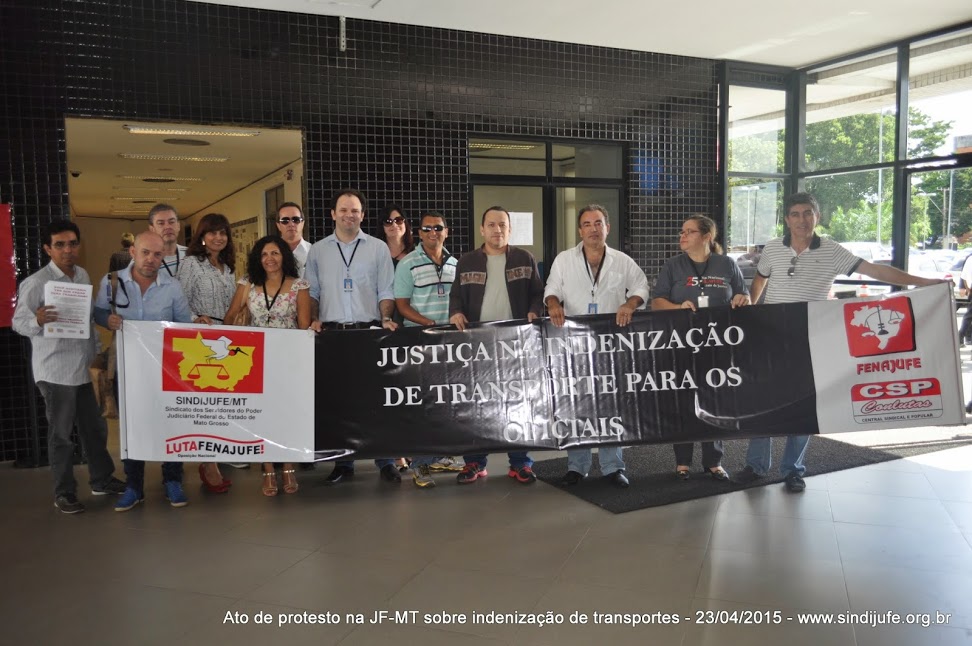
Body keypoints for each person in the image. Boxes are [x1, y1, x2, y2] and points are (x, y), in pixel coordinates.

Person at [738, 192, 945, 493]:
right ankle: (755, 466)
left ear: (817, 217)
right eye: (795, 214)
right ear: (786, 220)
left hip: (810, 339)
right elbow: (760, 278)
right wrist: (754, 313)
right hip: (771, 337)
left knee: (803, 406)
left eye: (808, 213)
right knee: (765, 401)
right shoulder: (772, 248)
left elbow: (877, 271)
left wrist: (924, 282)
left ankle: (793, 471)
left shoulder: (833, 251)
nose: (802, 220)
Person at [12, 221, 126, 514]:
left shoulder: (82, 275)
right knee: (61, 435)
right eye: (60, 245)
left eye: (73, 243)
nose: (68, 250)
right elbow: (18, 322)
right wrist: (37, 320)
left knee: (95, 428)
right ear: (48, 248)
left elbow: (86, 320)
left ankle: (101, 479)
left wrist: (98, 351)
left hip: (84, 367)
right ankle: (64, 492)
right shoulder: (37, 283)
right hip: (55, 370)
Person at [545, 204, 650, 489]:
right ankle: (576, 467)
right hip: (574, 345)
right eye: (587, 224)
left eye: (598, 223)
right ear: (580, 230)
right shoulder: (564, 260)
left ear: (607, 227)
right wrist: (554, 304)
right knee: (576, 405)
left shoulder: (622, 261)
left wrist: (630, 303)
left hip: (611, 344)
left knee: (610, 405)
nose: (593, 228)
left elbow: (642, 287)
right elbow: (551, 290)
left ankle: (613, 467)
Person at [304, 189, 401, 485]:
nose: (349, 215)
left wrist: (386, 318)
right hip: (334, 335)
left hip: (369, 333)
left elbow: (386, 289)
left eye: (355, 210)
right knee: (341, 402)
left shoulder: (377, 249)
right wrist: (314, 319)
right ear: (333, 214)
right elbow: (314, 291)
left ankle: (384, 460)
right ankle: (343, 464)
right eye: (343, 210)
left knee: (376, 400)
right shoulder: (318, 250)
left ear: (363, 214)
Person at [94, 231, 194, 511]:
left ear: (164, 256)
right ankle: (134, 486)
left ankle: (172, 481)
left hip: (164, 371)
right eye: (146, 252)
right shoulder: (112, 282)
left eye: (157, 254)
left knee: (170, 422)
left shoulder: (171, 287)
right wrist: (107, 319)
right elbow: (97, 312)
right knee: (131, 428)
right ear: (133, 252)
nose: (151, 259)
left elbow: (183, 326)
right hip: (125, 369)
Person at [449, 205, 544, 485]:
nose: (497, 229)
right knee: (477, 405)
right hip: (477, 346)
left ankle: (520, 463)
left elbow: (538, 293)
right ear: (482, 229)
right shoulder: (466, 262)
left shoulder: (525, 258)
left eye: (502, 224)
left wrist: (534, 310)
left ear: (509, 229)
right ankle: (475, 463)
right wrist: (455, 312)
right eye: (491, 224)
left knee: (518, 403)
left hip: (516, 346)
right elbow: (456, 296)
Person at [652, 214, 750, 482]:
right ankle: (682, 462)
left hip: (718, 346)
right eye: (682, 232)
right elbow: (656, 302)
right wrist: (677, 307)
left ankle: (713, 461)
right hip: (681, 344)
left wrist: (743, 298)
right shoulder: (673, 266)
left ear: (707, 237)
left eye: (689, 232)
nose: (682, 236)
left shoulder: (727, 264)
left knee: (715, 402)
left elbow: (745, 297)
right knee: (684, 402)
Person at [224, 235, 311, 496]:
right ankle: (268, 468)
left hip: (288, 359)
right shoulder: (248, 284)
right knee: (262, 415)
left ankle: (287, 466)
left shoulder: (299, 286)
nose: (269, 259)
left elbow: (304, 326)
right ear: (257, 259)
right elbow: (230, 317)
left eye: (274, 253)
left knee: (286, 415)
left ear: (284, 255)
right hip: (254, 359)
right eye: (264, 255)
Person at [393, 211, 459, 488]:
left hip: (450, 344)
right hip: (420, 341)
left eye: (438, 228)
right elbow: (401, 304)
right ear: (419, 233)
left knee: (445, 403)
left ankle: (437, 456)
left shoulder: (457, 264)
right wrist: (427, 323)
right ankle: (419, 464)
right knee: (422, 405)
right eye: (427, 229)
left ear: (447, 231)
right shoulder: (407, 264)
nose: (433, 232)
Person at [177, 213, 238, 494]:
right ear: (202, 235)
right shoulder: (191, 264)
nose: (218, 237)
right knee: (206, 406)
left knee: (222, 403)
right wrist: (193, 318)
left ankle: (218, 453)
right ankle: (208, 463)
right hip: (201, 340)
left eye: (223, 232)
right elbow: (179, 301)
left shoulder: (227, 266)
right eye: (212, 232)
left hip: (227, 338)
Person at [147, 203, 187, 279]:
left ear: (178, 226)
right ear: (152, 229)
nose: (167, 227)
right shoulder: (144, 261)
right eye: (161, 223)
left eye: (171, 222)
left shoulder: (192, 255)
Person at [275, 202, 311, 277]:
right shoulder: (269, 254)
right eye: (285, 221)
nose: (291, 224)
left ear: (302, 223)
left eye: (296, 220)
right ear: (278, 225)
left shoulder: (314, 252)